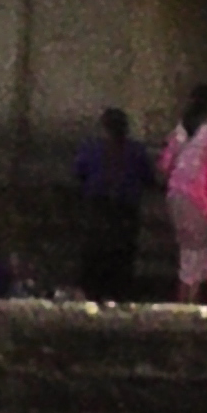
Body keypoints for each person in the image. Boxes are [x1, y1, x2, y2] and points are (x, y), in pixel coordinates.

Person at [68, 108, 154, 301]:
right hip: (124, 208)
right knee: (122, 252)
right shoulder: (135, 151)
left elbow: (79, 173)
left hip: (100, 206)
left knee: (95, 250)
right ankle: (118, 291)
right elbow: (148, 177)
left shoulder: (91, 149)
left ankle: (92, 290)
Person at [164, 86, 207, 303]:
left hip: (175, 195)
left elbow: (165, 164)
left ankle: (184, 303)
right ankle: (191, 304)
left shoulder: (181, 131)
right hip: (196, 199)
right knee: (200, 256)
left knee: (189, 254)